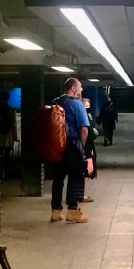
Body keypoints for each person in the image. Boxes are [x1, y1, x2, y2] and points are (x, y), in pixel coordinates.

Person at [50, 78, 91, 224]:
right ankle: (73, 211)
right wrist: (81, 145)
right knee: (75, 178)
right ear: (73, 88)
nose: (81, 89)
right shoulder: (76, 104)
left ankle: (56, 211)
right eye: (80, 87)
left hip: (56, 147)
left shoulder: (55, 102)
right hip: (72, 147)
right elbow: (84, 129)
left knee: (58, 179)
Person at [80, 97, 97, 202]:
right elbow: (88, 131)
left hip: (87, 146)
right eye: (86, 104)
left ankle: (82, 193)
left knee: (87, 169)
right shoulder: (85, 116)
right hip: (86, 147)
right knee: (86, 169)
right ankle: (81, 194)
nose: (88, 106)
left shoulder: (87, 115)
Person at [0, 90, 18, 181]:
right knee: (7, 155)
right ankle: (6, 173)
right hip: (8, 134)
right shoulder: (10, 109)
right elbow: (13, 123)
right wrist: (15, 136)